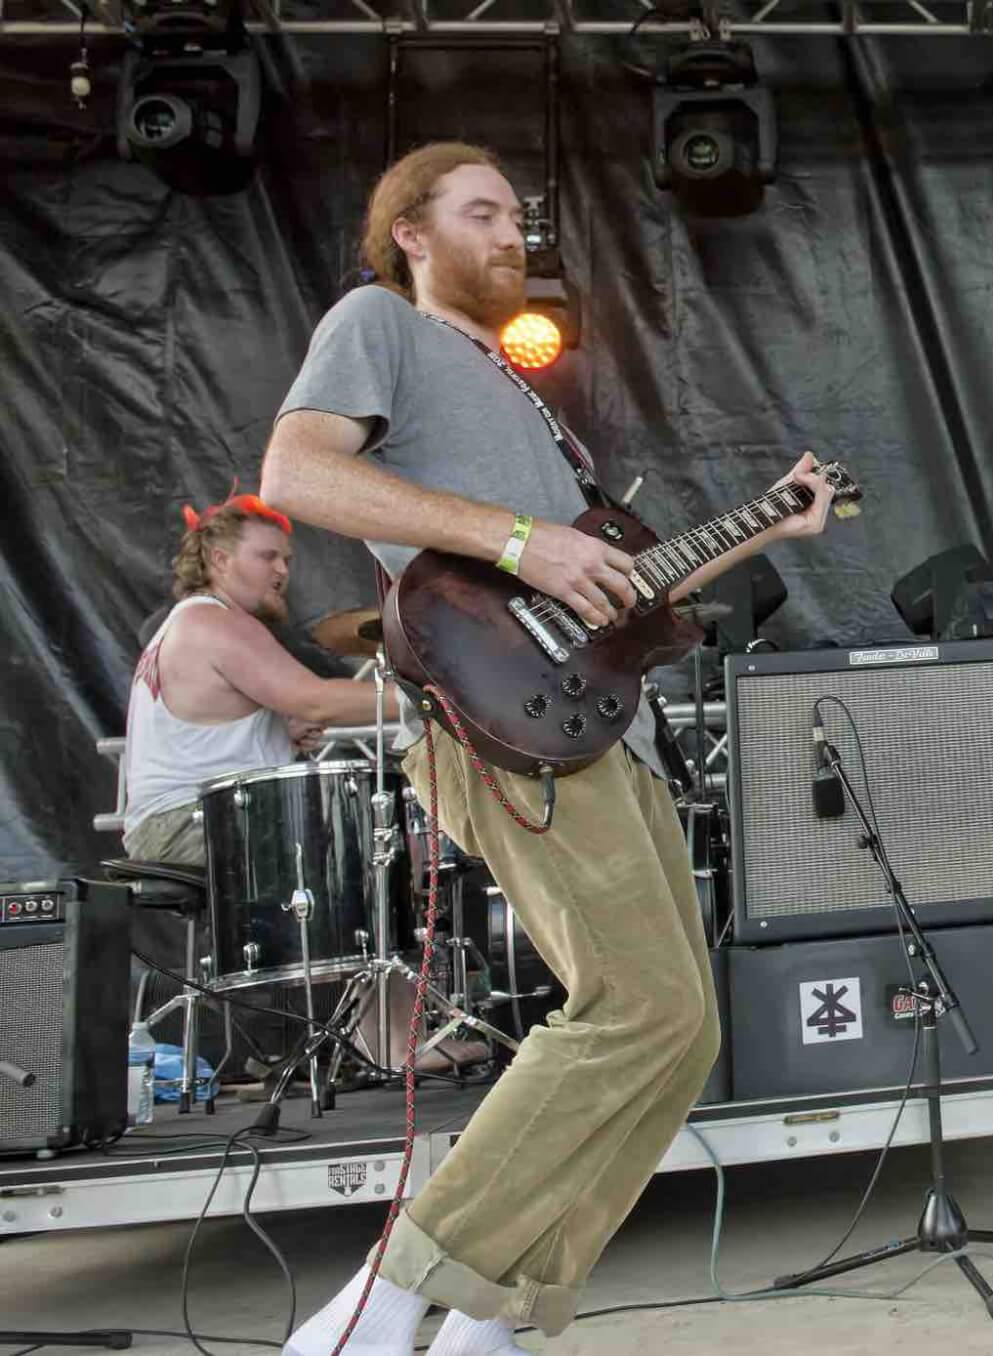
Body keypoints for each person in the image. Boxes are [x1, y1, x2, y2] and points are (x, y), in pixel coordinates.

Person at [259, 142, 834, 1356]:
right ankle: (384, 1297)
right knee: (630, 1007)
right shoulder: (379, 322)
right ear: (409, 233)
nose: (511, 232)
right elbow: (298, 472)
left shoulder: (522, 393)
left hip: (585, 722)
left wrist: (771, 522)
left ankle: (493, 1319)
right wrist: (522, 541)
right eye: (479, 213)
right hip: (500, 728)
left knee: (679, 1028)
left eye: (517, 215)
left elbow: (617, 593)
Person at [121, 494, 398, 866]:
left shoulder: (187, 622)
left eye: (286, 560)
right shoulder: (215, 622)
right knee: (358, 852)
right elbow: (316, 701)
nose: (282, 571)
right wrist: (425, 701)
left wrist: (275, 733)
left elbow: (203, 734)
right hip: (191, 820)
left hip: (173, 822)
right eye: (267, 557)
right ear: (220, 560)